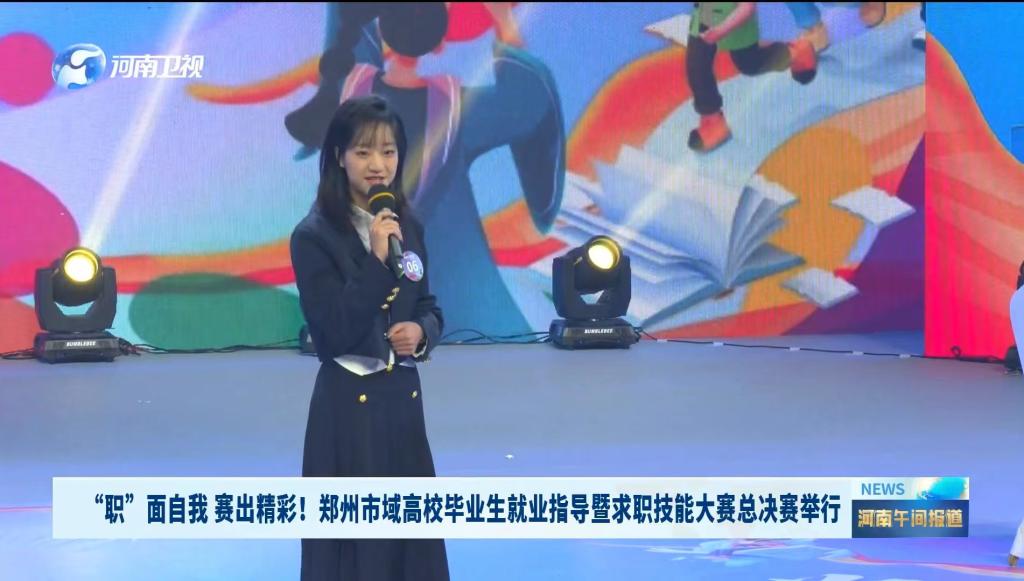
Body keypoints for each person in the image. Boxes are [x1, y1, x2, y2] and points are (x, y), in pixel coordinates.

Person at [286, 2, 565, 337]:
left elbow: (350, 28)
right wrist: (504, 21)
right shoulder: (457, 112)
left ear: (384, 31)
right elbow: (526, 103)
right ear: (440, 44)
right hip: (450, 290)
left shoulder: (350, 88)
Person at [290, 94, 450, 581]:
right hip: (347, 411)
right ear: (339, 156)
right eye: (363, 152)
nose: (378, 165)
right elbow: (331, 333)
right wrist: (378, 263)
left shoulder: (408, 226)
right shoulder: (313, 236)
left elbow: (428, 305)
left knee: (409, 540)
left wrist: (421, 333)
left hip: (402, 403)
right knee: (356, 542)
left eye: (388, 151)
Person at [685, 2, 819, 153]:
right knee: (697, 61)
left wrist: (721, 31)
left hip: (734, 17)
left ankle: (795, 52)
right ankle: (711, 118)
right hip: (706, 14)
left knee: (750, 62)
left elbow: (747, 8)